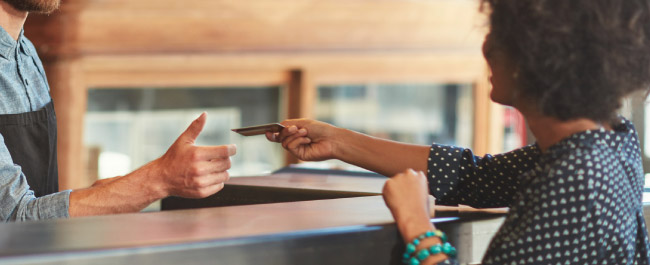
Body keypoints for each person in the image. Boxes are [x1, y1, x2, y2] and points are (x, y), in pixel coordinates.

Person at [267, 0, 650, 264]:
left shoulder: (576, 178)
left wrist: (417, 223)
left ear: (542, 58)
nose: (485, 47)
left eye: (500, 36)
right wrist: (338, 141)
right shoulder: (607, 141)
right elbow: (476, 177)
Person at [0, 0, 236, 221]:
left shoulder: (26, 52)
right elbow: (15, 216)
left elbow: (38, 202)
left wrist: (114, 191)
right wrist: (159, 178)